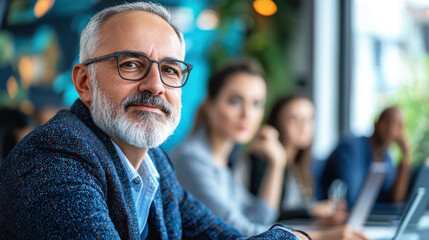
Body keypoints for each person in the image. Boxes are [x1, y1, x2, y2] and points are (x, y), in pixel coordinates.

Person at [0, 3, 303, 240]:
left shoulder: (156, 164)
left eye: (170, 70)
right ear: (84, 82)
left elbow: (227, 237)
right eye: (131, 64)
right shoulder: (54, 157)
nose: (155, 85)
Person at [171, 61, 369, 240]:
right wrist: (322, 237)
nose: (247, 114)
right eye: (235, 101)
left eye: (256, 104)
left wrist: (276, 162)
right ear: (210, 106)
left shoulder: (219, 162)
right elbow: (237, 231)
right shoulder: (192, 160)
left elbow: (261, 216)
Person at [249, 95, 347, 225]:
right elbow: (265, 217)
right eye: (294, 118)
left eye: (309, 119)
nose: (304, 126)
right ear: (277, 122)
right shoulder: (263, 161)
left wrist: (322, 215)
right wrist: (312, 210)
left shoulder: (302, 164)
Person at [321, 106, 411, 208]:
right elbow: (352, 200)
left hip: (367, 217)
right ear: (376, 123)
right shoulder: (351, 148)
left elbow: (395, 201)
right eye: (387, 122)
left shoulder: (387, 158)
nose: (391, 129)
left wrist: (405, 156)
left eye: (398, 126)